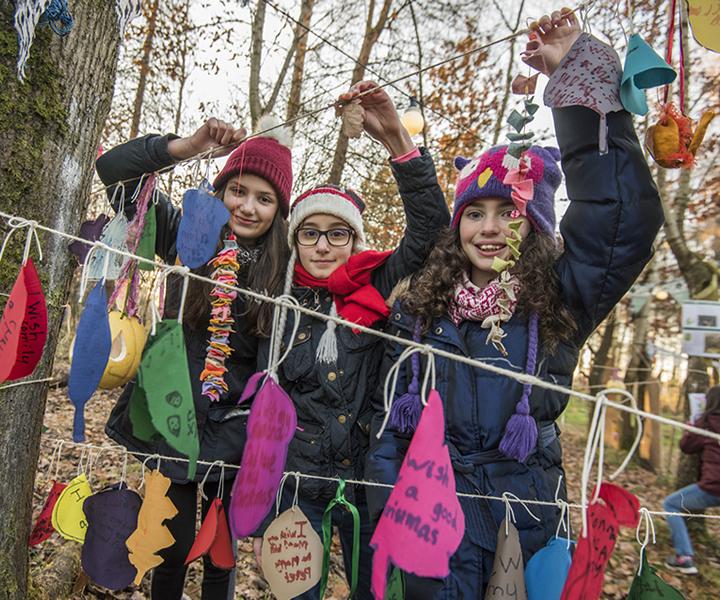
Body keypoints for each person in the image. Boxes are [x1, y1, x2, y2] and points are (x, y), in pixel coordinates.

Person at [365, 10, 663, 598]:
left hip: (523, 526)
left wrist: (576, 77)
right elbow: (388, 427)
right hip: (429, 524)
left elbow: (621, 222)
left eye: (510, 212)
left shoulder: (560, 297)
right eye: (475, 212)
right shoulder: (422, 306)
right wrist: (385, 507)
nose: (490, 227)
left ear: (536, 225)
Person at [250, 80, 450, 599]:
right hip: (297, 483)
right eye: (309, 232)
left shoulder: (380, 284)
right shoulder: (280, 293)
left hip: (368, 481)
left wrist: (400, 144)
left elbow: (431, 233)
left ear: (354, 239)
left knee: (374, 592)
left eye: (336, 233)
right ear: (295, 240)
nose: (322, 245)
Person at [95, 117, 292, 600]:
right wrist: (188, 146)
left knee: (220, 554)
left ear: (279, 210)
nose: (247, 206)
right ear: (221, 190)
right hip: (173, 416)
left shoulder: (287, 268)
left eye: (263, 199)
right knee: (172, 543)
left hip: (236, 430)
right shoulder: (188, 235)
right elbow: (114, 172)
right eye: (238, 191)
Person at [663, 385, 720, 575]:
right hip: (713, 485)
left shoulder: (705, 422)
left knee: (670, 504)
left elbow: (686, 446)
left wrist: (691, 426)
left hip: (713, 487)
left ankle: (684, 556)